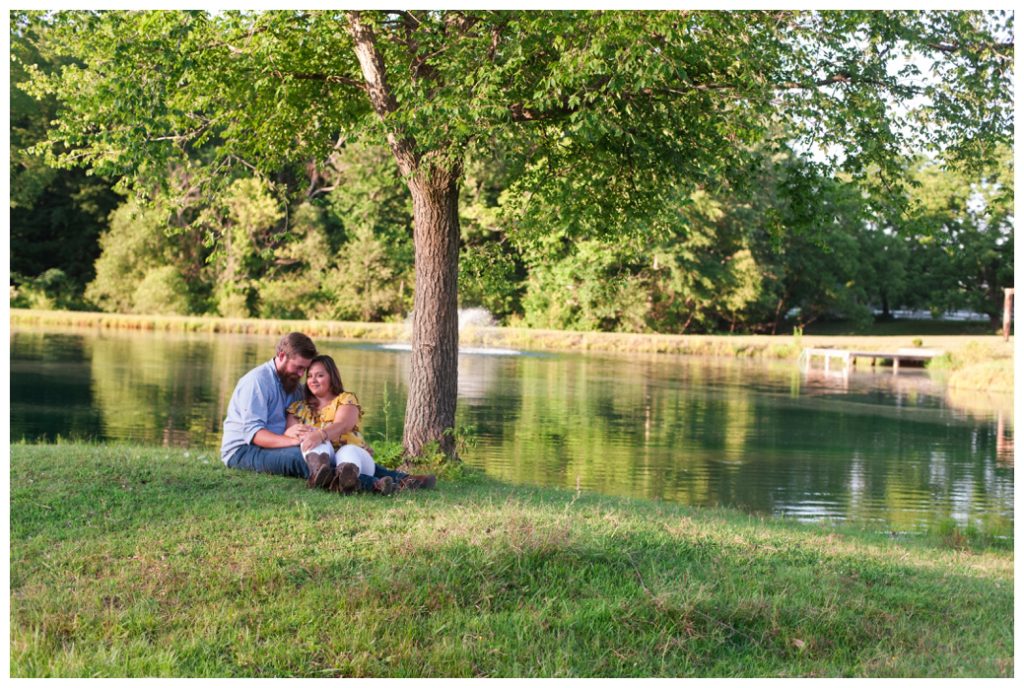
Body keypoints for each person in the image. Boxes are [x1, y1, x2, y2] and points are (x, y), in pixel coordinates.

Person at [287, 354, 436, 495]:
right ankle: (327, 477)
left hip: (353, 456)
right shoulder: (299, 408)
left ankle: (352, 478)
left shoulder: (345, 399)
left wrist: (319, 435)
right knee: (314, 444)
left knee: (346, 451)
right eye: (310, 376)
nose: (313, 380)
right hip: (324, 460)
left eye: (320, 375)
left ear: (332, 377)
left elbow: (343, 424)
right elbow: (290, 434)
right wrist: (295, 434)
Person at [220, 332, 321, 480]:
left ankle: (352, 476)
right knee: (302, 459)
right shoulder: (257, 382)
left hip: (277, 446)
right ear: (281, 356)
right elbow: (254, 434)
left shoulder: (294, 386)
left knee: (321, 452)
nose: (301, 374)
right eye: (298, 367)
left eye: (304, 369)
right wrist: (294, 441)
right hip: (243, 450)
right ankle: (360, 484)